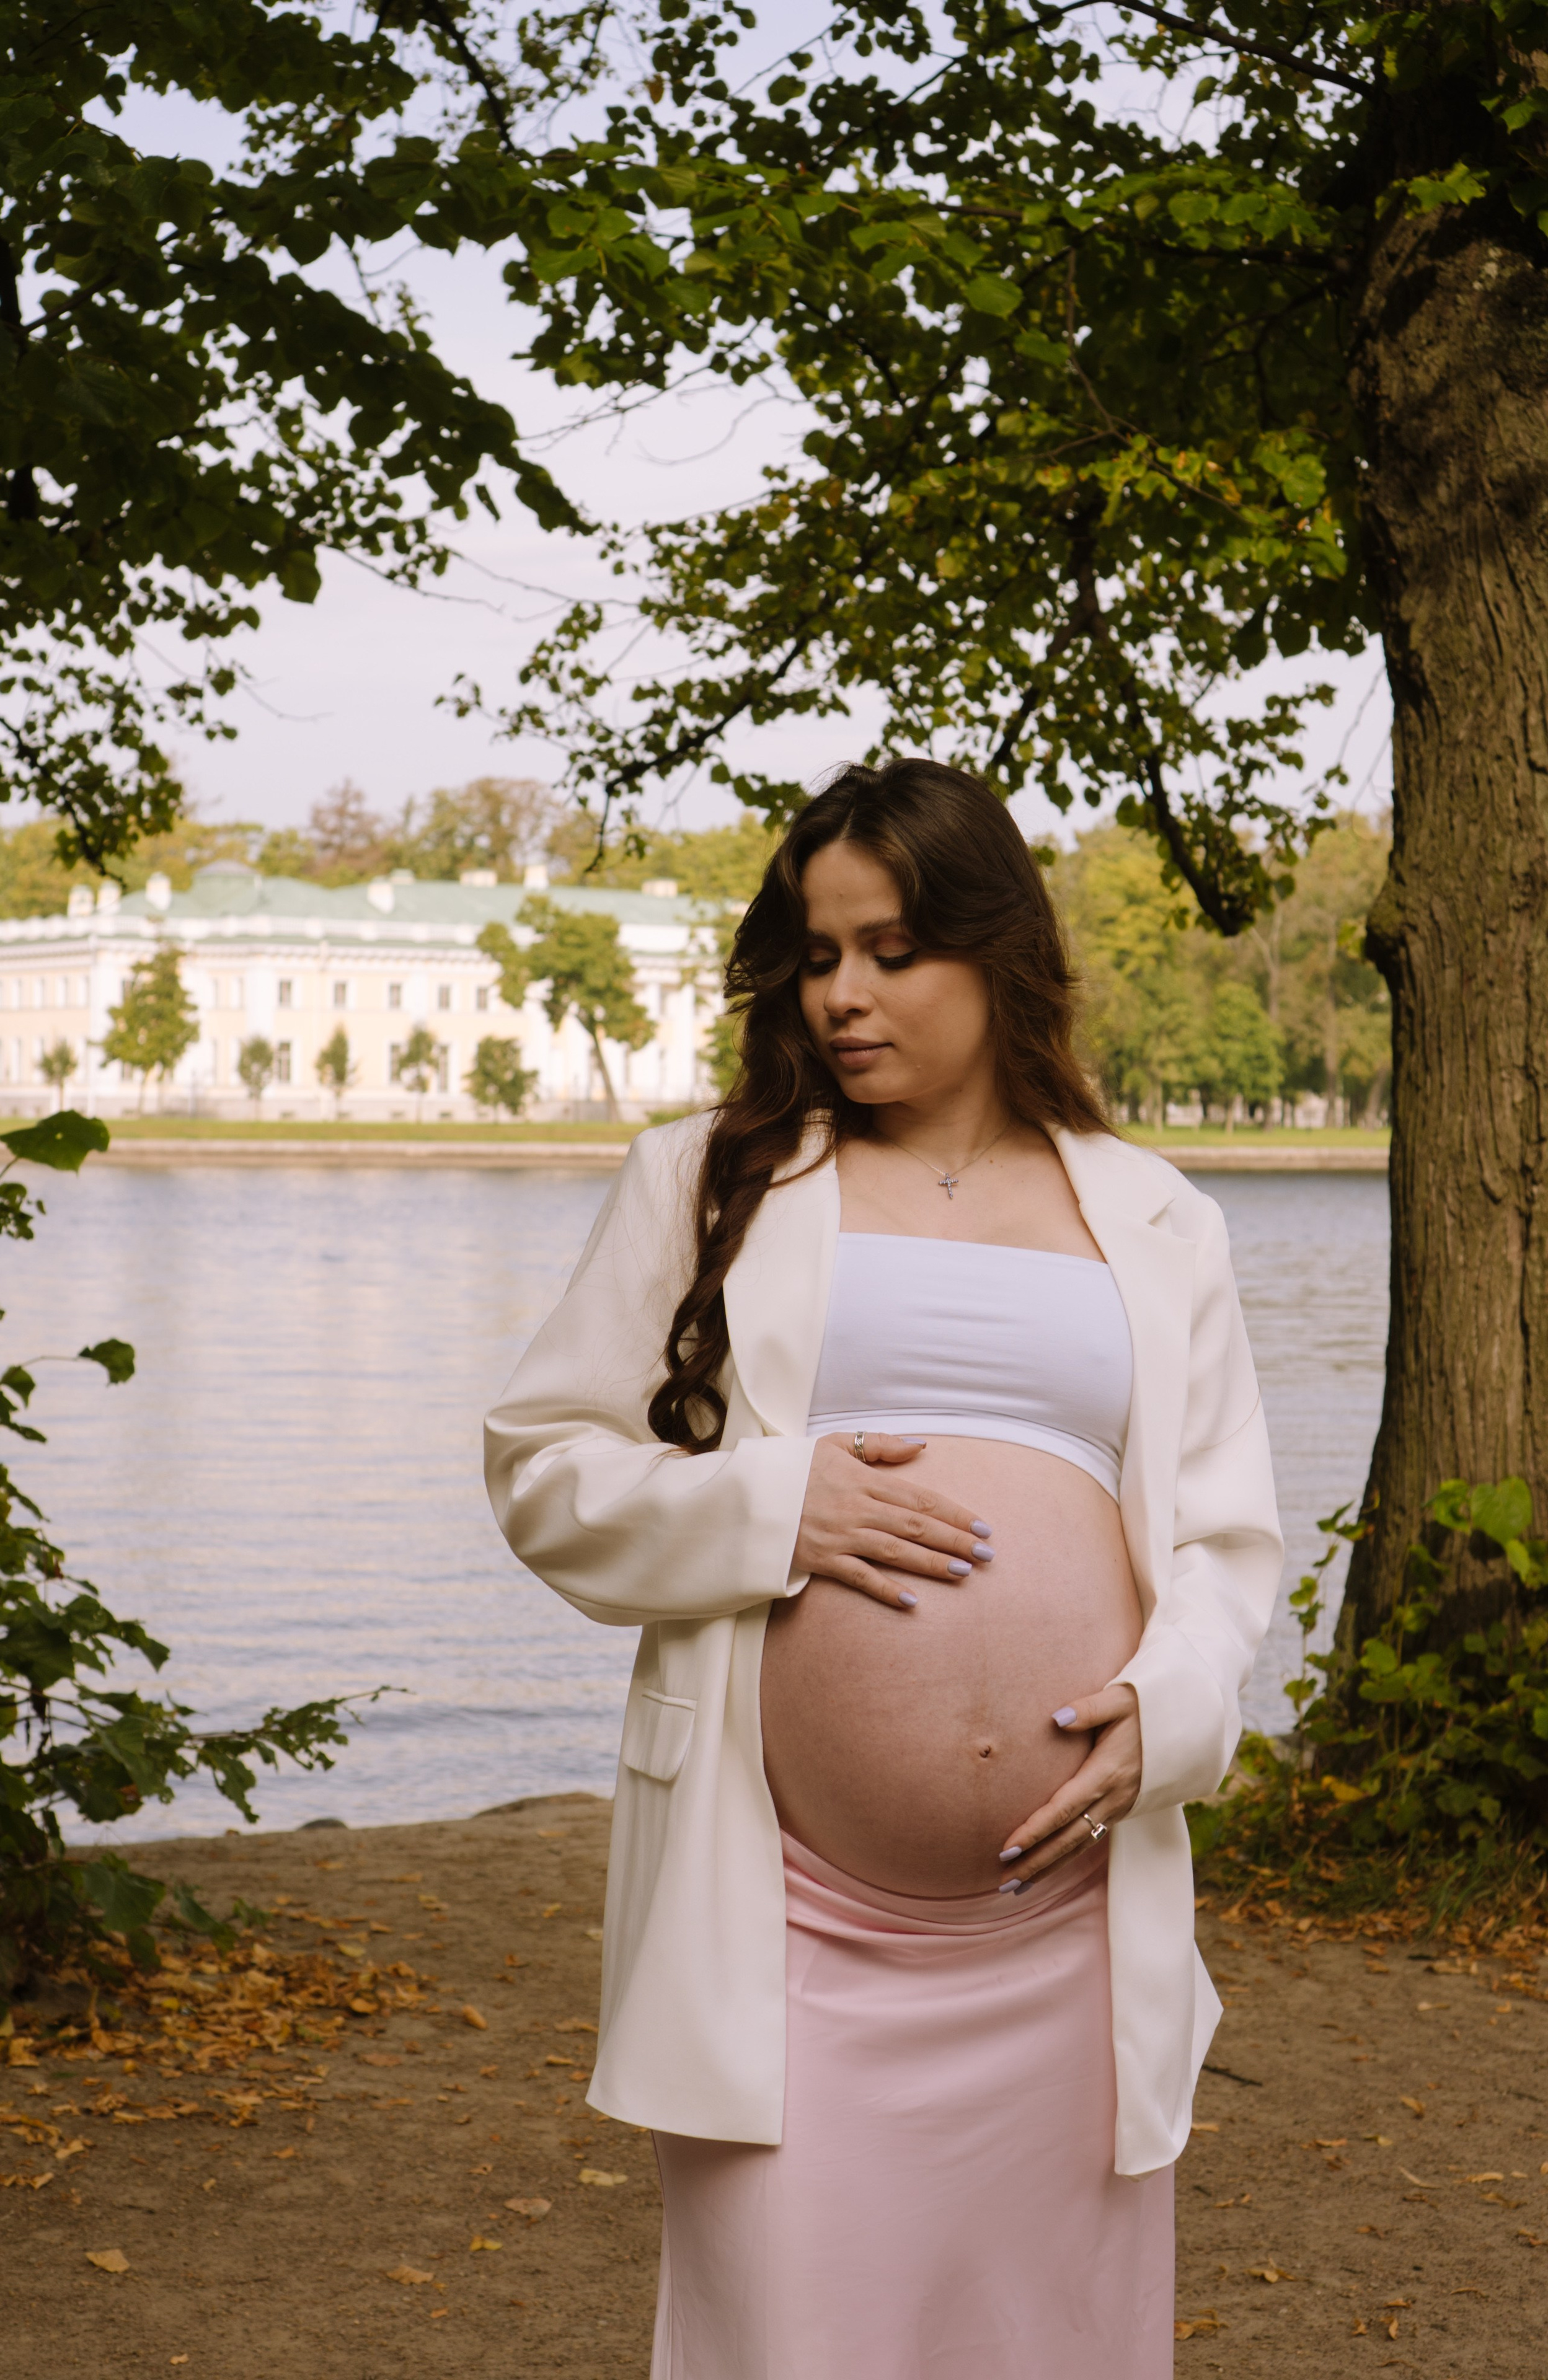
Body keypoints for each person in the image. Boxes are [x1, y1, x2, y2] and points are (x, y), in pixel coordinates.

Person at [484, 757, 1283, 2380]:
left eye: (892, 950)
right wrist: (773, 1507)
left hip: (1067, 1937)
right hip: (786, 1931)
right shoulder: (709, 1179)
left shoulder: (1155, 1216)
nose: (845, 995)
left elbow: (1221, 1541)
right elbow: (544, 1468)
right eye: (817, 952)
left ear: (1001, 950)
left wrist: (1169, 1712)